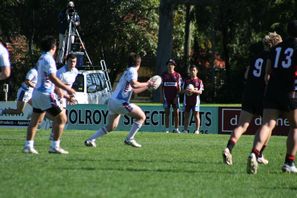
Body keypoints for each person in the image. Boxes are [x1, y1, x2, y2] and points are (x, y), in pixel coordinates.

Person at [223, 32, 282, 166]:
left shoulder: (256, 57)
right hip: (264, 94)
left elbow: (246, 75)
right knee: (267, 125)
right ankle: (259, 154)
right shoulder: (273, 56)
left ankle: (228, 148)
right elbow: (269, 77)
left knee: (242, 125)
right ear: (274, 44)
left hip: (249, 93)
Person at [247, 20, 297, 174]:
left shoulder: (275, 49)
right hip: (290, 91)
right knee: (295, 126)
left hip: (272, 91)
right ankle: (289, 162)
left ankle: (254, 153)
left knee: (267, 124)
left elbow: (267, 73)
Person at [84, 52, 154, 148]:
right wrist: (147, 83)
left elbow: (134, 90)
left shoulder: (128, 71)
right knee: (141, 117)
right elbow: (134, 84)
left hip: (112, 102)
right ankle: (129, 139)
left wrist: (147, 86)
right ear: (139, 63)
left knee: (111, 126)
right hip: (120, 102)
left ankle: (90, 140)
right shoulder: (133, 71)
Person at [23, 36, 76, 154]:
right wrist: (68, 89)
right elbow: (52, 78)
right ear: (53, 47)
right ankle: (55, 146)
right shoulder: (49, 59)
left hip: (36, 93)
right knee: (62, 119)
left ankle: (28, 145)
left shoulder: (41, 58)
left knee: (35, 120)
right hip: (45, 94)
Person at [49, 53, 78, 140]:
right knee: (60, 117)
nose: (72, 63)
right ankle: (54, 136)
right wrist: (65, 96)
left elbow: (69, 85)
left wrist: (70, 95)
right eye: (71, 61)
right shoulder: (61, 72)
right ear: (66, 61)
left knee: (61, 117)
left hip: (65, 96)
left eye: (74, 62)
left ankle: (53, 135)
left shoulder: (75, 71)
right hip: (57, 95)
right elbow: (55, 87)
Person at [161, 59, 182, 133]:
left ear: (174, 66)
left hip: (175, 97)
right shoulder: (164, 75)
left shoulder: (177, 75)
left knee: (176, 113)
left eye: (171, 64)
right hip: (166, 97)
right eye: (168, 64)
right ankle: (167, 129)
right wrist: (162, 97)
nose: (170, 66)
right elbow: (162, 87)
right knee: (167, 113)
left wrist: (177, 96)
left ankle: (176, 129)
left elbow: (179, 88)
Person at [182, 65, 204, 134]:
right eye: (191, 70)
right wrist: (187, 91)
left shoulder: (199, 81)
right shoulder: (186, 80)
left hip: (195, 102)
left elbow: (200, 92)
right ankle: (185, 130)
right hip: (187, 101)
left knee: (196, 115)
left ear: (197, 71)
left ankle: (197, 130)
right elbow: (182, 90)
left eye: (194, 70)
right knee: (186, 115)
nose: (192, 72)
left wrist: (193, 91)